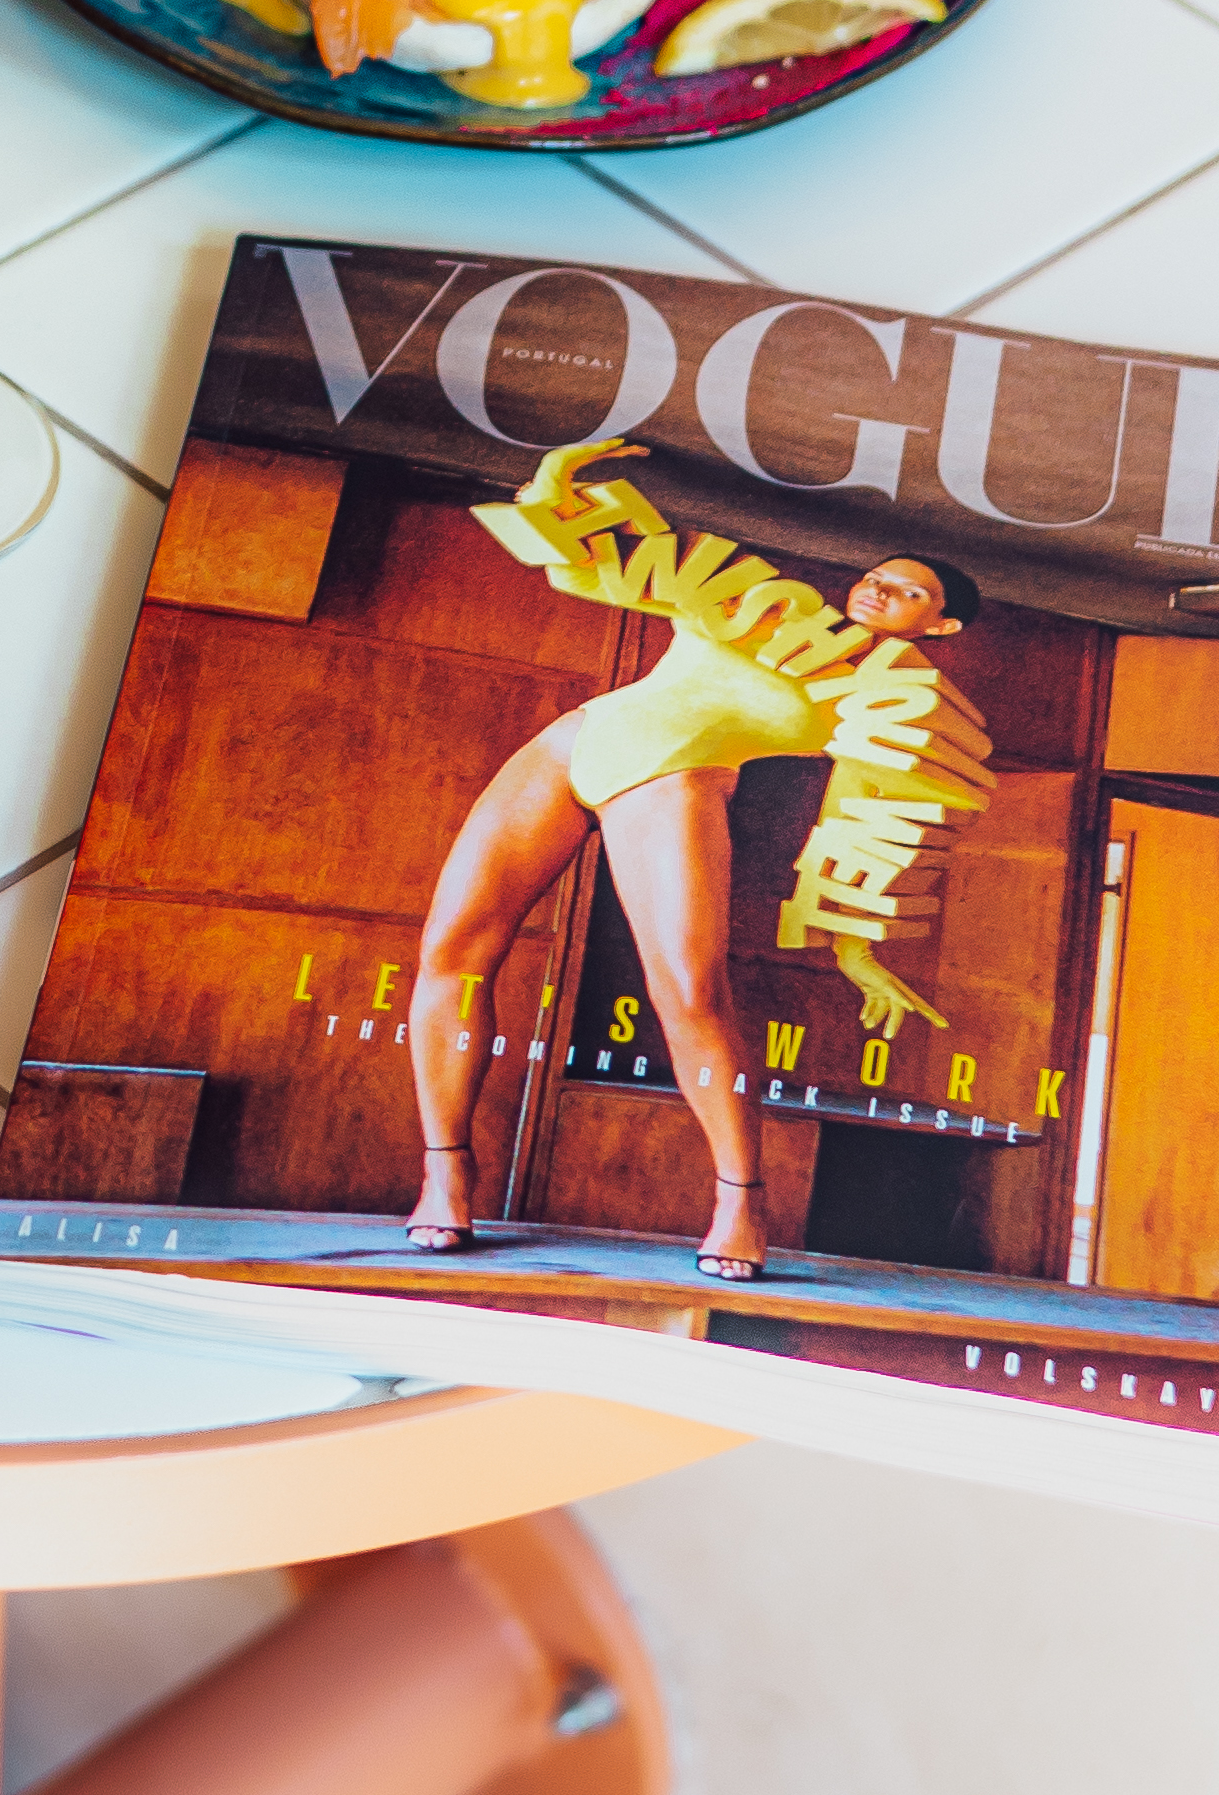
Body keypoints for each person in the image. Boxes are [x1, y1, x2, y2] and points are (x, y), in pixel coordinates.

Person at [405, 440, 989, 1284]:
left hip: (673, 787)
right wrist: (553, 484)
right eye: (875, 573)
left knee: (689, 996)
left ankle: (740, 1198)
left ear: (939, 625)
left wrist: (859, 954)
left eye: (909, 590)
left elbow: (857, 826)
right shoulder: (761, 609)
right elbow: (605, 563)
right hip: (567, 748)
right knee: (451, 956)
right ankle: (445, 1174)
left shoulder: (886, 706)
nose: (877, 587)